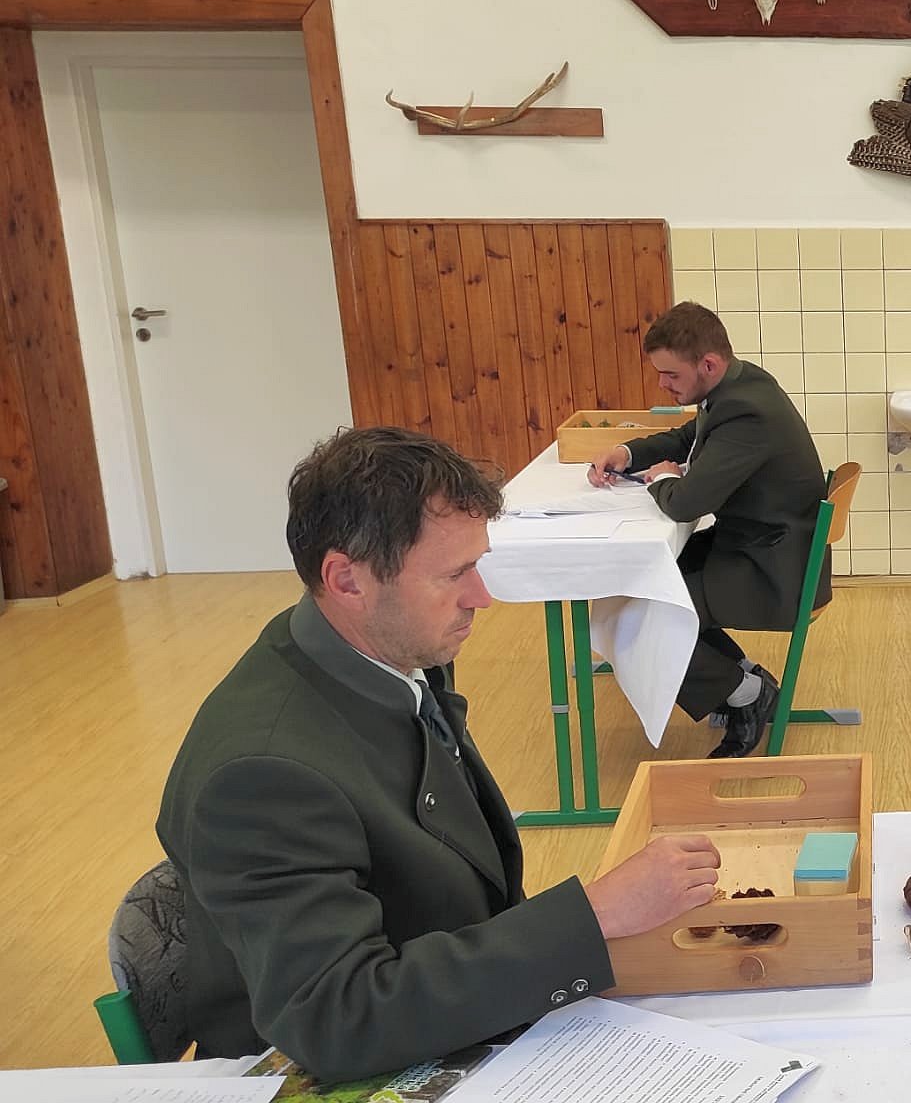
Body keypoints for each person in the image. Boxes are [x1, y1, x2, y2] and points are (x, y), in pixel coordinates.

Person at [158, 428, 725, 1080]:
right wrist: (595, 915)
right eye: (454, 574)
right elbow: (339, 1021)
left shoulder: (388, 650)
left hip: (450, 1021)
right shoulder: (261, 776)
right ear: (346, 579)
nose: (482, 596)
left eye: (477, 565)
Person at [588, 302, 825, 757]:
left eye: (670, 375)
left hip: (773, 571)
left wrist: (660, 480)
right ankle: (743, 678)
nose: (662, 384)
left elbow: (686, 504)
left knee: (643, 611)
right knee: (635, 586)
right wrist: (627, 453)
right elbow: (689, 439)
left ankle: (746, 695)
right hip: (759, 546)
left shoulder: (747, 413)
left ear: (708, 364)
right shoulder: (740, 385)